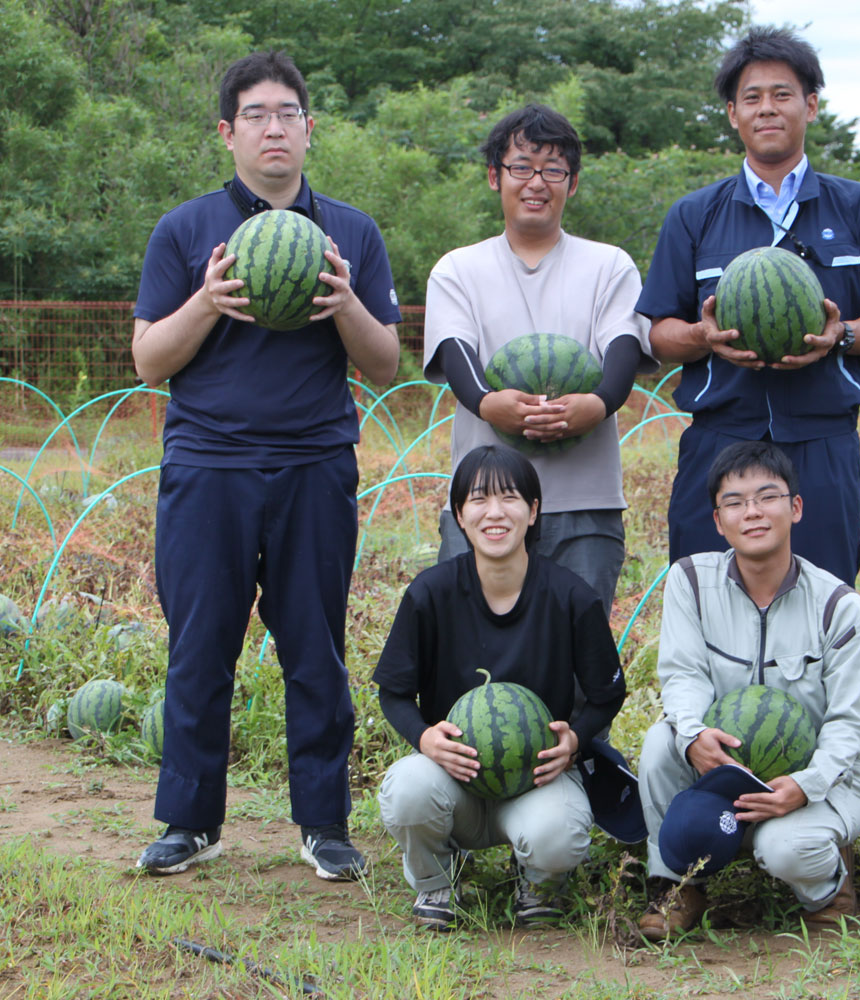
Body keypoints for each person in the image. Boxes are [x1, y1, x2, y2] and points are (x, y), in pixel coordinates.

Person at [129, 51, 401, 878]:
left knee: (315, 647)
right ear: (228, 132)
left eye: (288, 113)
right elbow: (148, 360)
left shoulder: (351, 233)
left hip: (316, 462)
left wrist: (347, 301)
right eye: (256, 114)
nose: (274, 127)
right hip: (207, 463)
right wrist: (206, 301)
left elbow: (386, 364)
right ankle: (190, 821)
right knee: (199, 644)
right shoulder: (183, 230)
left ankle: (324, 824)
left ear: (309, 130)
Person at [637, 27, 860, 587]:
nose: (768, 108)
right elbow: (659, 334)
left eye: (783, 94)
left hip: (822, 436)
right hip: (722, 435)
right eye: (752, 97)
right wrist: (704, 337)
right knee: (706, 594)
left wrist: (840, 336)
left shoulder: (857, 205)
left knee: (824, 594)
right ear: (733, 114)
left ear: (810, 105)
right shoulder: (694, 214)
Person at [373, 444, 627, 930]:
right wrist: (425, 739)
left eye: (509, 498)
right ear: (459, 516)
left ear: (533, 512)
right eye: (478, 500)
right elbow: (394, 693)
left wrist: (575, 739)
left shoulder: (572, 597)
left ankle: (536, 880)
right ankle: (436, 882)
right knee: (407, 789)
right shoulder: (430, 594)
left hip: (538, 781)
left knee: (557, 835)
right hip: (454, 779)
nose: (494, 512)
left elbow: (606, 693)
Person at [635, 441, 860, 939]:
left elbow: (849, 724)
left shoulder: (839, 606)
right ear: (719, 521)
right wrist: (694, 734)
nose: (753, 512)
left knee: (785, 849)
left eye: (767, 497)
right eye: (736, 502)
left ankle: (828, 892)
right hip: (720, 768)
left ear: (796, 507)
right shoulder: (689, 582)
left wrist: (805, 786)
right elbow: (682, 674)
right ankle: (675, 884)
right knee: (661, 743)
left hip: (813, 777)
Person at [423, 104, 655, 614]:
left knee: (576, 666)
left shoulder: (610, 265)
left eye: (553, 170)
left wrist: (597, 403)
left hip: (585, 508)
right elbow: (456, 353)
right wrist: (488, 404)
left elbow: (623, 348)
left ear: (571, 183)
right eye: (521, 166)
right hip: (482, 506)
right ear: (494, 177)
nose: (536, 182)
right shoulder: (457, 270)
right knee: (472, 662)